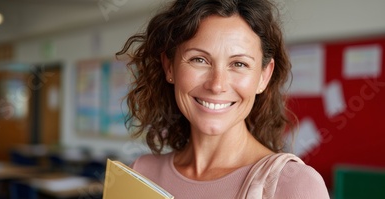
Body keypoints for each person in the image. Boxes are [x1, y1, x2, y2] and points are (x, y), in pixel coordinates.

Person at [116, 0, 330, 198]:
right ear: (169, 66)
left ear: (264, 76)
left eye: (239, 64)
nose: (217, 85)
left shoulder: (296, 185)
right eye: (199, 59)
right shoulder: (141, 173)